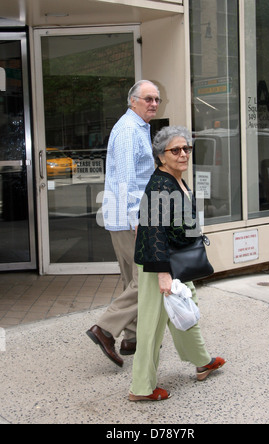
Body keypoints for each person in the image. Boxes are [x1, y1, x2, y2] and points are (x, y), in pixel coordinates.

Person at [129, 126, 226, 401]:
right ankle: (141, 388)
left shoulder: (177, 179)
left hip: (177, 261)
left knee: (187, 310)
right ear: (161, 156)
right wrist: (162, 275)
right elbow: (154, 231)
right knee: (152, 325)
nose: (183, 154)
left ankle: (202, 361)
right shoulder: (160, 184)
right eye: (176, 150)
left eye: (187, 148)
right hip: (159, 264)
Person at [87, 80, 161, 367]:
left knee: (134, 279)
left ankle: (131, 338)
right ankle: (105, 329)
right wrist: (137, 218)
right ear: (133, 101)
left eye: (156, 99)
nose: (153, 103)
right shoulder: (130, 130)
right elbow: (127, 181)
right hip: (131, 219)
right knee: (147, 280)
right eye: (148, 99)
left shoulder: (137, 127)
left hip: (125, 218)